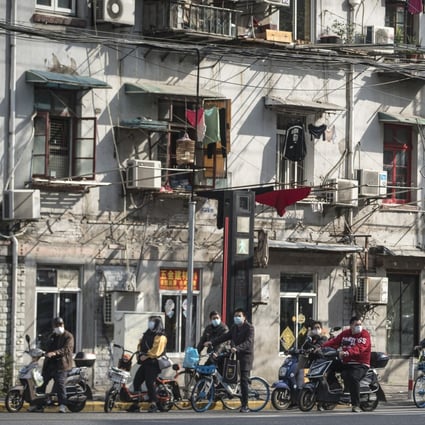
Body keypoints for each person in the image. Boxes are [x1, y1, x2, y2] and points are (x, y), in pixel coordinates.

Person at [205, 308, 254, 413]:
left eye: (239, 316)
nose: (237, 318)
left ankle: (245, 405)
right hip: (235, 354)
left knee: (244, 380)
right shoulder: (234, 327)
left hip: (246, 356)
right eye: (235, 316)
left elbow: (248, 342)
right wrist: (212, 342)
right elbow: (225, 337)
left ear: (244, 317)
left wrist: (237, 348)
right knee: (230, 375)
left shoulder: (249, 328)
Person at [322, 315, 371, 413]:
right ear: (351, 325)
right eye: (356, 324)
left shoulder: (364, 335)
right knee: (328, 366)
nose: (359, 326)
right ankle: (335, 387)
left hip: (360, 364)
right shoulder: (345, 334)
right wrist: (321, 347)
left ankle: (355, 405)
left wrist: (347, 352)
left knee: (353, 377)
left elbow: (360, 348)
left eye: (360, 324)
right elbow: (334, 342)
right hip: (346, 362)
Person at [30, 317, 74, 413]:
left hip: (62, 365)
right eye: (56, 326)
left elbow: (66, 349)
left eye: (60, 325)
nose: (58, 327)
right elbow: (47, 347)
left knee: (60, 384)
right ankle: (39, 405)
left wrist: (55, 353)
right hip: (50, 364)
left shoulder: (68, 336)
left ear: (63, 325)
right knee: (41, 383)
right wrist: (40, 353)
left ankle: (63, 405)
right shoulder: (53, 336)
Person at [127, 315, 167, 413]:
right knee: (136, 381)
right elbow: (140, 344)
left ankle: (153, 403)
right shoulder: (147, 333)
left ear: (157, 323)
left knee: (149, 383)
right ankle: (136, 404)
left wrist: (147, 355)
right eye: (149, 321)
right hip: (145, 362)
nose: (150, 323)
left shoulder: (161, 336)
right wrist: (139, 354)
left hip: (154, 363)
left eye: (152, 321)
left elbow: (156, 350)